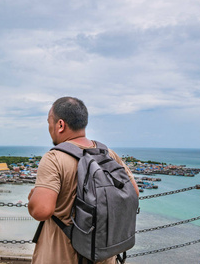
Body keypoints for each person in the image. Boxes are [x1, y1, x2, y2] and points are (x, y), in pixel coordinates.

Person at [28, 96, 140, 264]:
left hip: (62, 257)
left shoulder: (54, 158)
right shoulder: (108, 154)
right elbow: (134, 192)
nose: (49, 127)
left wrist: (34, 197)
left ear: (60, 125)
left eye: (49, 122)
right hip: (103, 256)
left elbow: (41, 211)